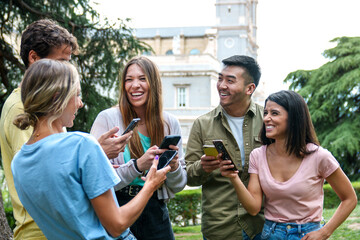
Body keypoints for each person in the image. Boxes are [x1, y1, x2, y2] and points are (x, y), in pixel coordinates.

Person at [11, 59, 170, 240]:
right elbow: (117, 225)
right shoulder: (82, 145)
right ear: (57, 98)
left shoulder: (18, 162)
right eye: (76, 95)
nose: (80, 104)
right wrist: (150, 184)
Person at [0, 19, 129, 239]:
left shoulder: (47, 110)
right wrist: (94, 152)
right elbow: (45, 174)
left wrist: (91, 153)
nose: (68, 69)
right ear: (34, 58)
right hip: (43, 231)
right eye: (61, 61)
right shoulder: (20, 107)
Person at [220, 90, 357, 240]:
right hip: (271, 234)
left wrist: (324, 232)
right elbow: (253, 208)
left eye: (274, 113)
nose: (266, 118)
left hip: (307, 234)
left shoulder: (319, 156)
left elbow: (349, 198)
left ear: (293, 118)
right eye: (265, 113)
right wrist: (234, 177)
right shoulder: (258, 155)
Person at [91, 56, 187, 240]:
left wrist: (173, 168)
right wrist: (138, 166)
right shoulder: (107, 119)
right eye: (129, 79)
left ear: (154, 83)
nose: (135, 85)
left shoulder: (169, 123)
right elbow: (96, 179)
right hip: (117, 207)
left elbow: (179, 185)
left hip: (155, 211)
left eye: (142, 79)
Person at [185, 55, 265, 240]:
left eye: (230, 80)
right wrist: (202, 167)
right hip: (220, 227)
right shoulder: (203, 124)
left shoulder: (267, 120)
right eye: (220, 78)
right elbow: (188, 175)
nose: (221, 85)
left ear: (250, 88)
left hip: (261, 226)